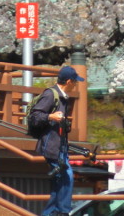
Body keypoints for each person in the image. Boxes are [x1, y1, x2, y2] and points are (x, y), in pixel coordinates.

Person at [28, 65, 85, 216]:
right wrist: (50, 116)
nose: (75, 85)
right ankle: (63, 212)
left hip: (60, 146)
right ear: (68, 81)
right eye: (75, 82)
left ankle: (50, 213)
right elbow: (35, 117)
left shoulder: (63, 97)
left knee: (59, 182)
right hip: (51, 145)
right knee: (67, 176)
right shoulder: (50, 94)